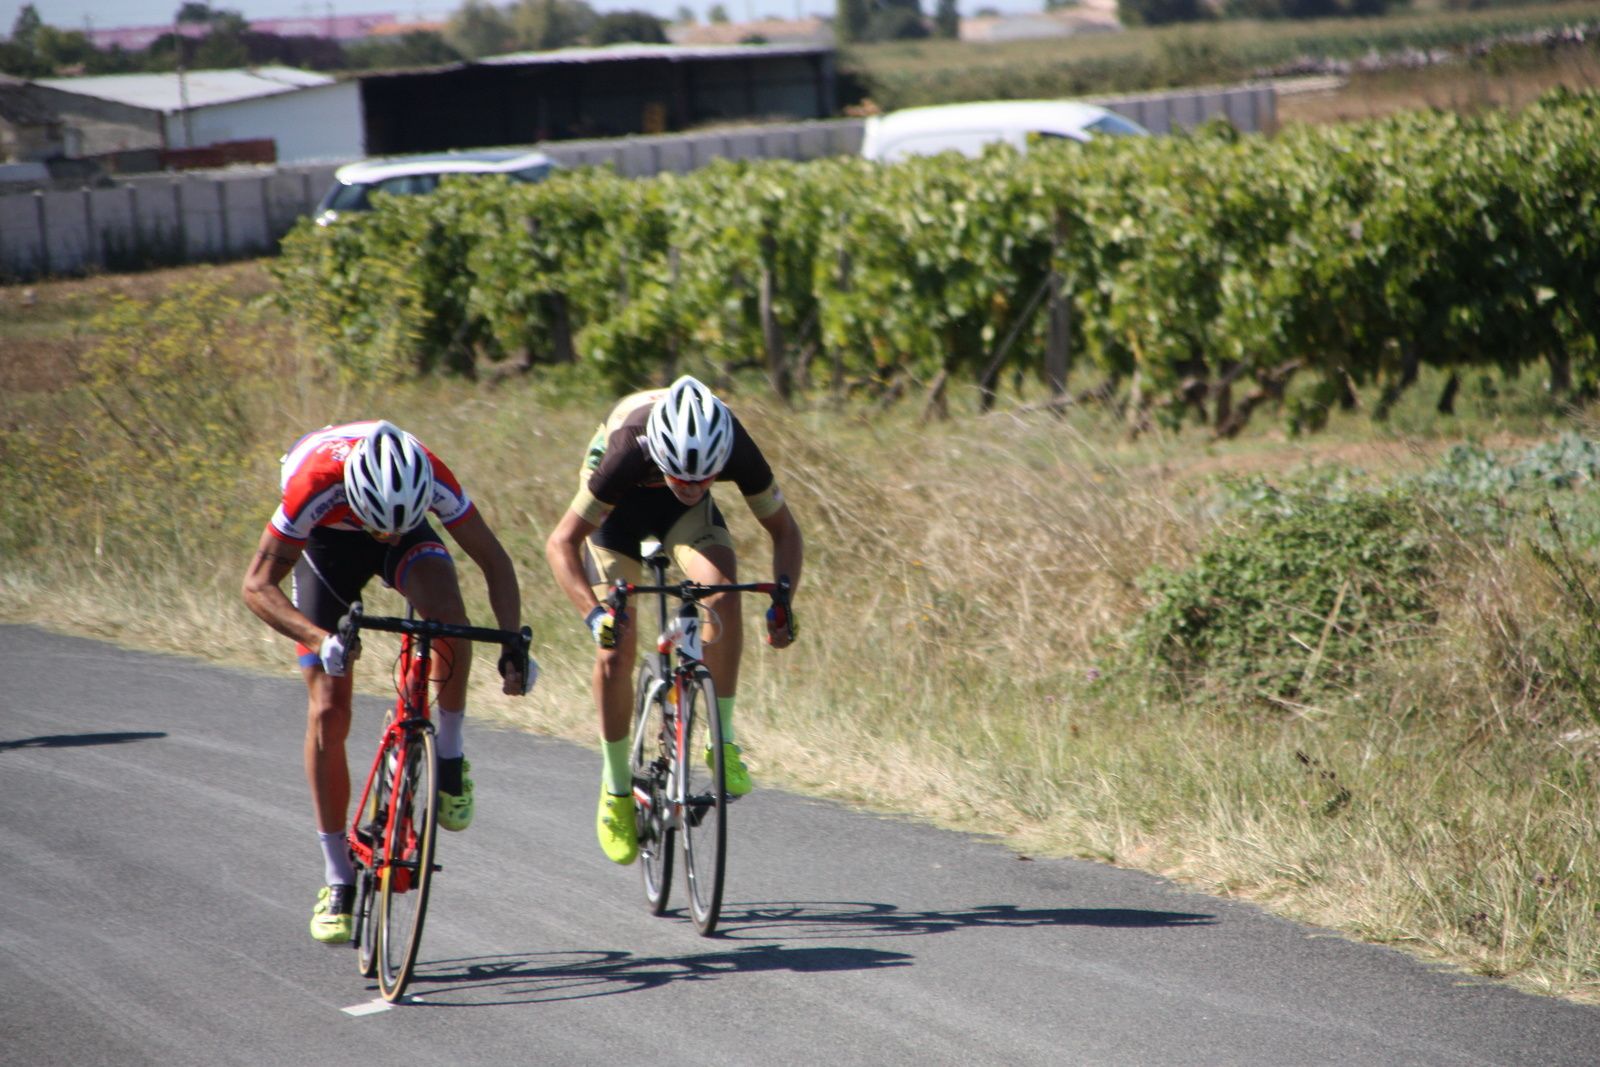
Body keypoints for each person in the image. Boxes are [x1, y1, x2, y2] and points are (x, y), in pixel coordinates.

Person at [242, 419, 536, 944]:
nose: (390, 536)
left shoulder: (431, 475)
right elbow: (256, 586)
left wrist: (513, 642)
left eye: (400, 525)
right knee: (328, 710)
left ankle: (450, 753)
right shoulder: (313, 483)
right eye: (382, 527)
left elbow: (494, 559)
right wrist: (319, 639)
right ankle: (337, 876)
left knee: (448, 620)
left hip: (403, 522)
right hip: (328, 545)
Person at [545, 375, 803, 866]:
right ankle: (616, 789)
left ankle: (722, 741)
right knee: (616, 645)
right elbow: (561, 543)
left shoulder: (733, 442)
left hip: (681, 521)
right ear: (662, 456)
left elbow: (785, 531)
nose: (691, 487)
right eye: (681, 478)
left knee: (722, 594)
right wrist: (594, 615)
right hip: (616, 513)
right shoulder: (628, 450)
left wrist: (784, 600)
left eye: (703, 479)